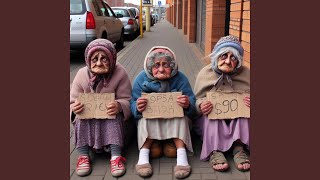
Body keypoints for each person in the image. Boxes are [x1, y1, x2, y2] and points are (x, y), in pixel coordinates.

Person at [131, 46, 196, 179]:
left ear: (172, 66)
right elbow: (132, 102)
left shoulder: (180, 78)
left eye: (165, 65)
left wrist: (188, 103)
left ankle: (181, 156)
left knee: (180, 116)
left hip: (173, 122)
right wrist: (137, 106)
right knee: (144, 117)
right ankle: (143, 156)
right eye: (156, 65)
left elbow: (193, 102)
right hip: (152, 123)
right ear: (149, 66)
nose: (161, 69)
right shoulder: (140, 78)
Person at [70, 39, 132, 177]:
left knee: (113, 118)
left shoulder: (120, 72)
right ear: (88, 59)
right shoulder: (81, 74)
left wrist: (119, 106)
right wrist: (75, 108)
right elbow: (72, 101)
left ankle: (116, 156)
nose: (98, 63)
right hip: (89, 119)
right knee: (81, 117)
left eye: (104, 58)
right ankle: (83, 155)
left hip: (111, 118)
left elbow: (127, 99)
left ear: (111, 58)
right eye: (94, 59)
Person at [193, 35, 250, 172]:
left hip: (236, 120)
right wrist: (201, 105)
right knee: (210, 115)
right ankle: (215, 150)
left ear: (239, 61)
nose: (228, 61)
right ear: (216, 57)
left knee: (243, 115)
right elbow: (196, 99)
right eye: (224, 56)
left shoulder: (246, 74)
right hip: (212, 120)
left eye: (233, 58)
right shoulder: (205, 73)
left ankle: (239, 148)